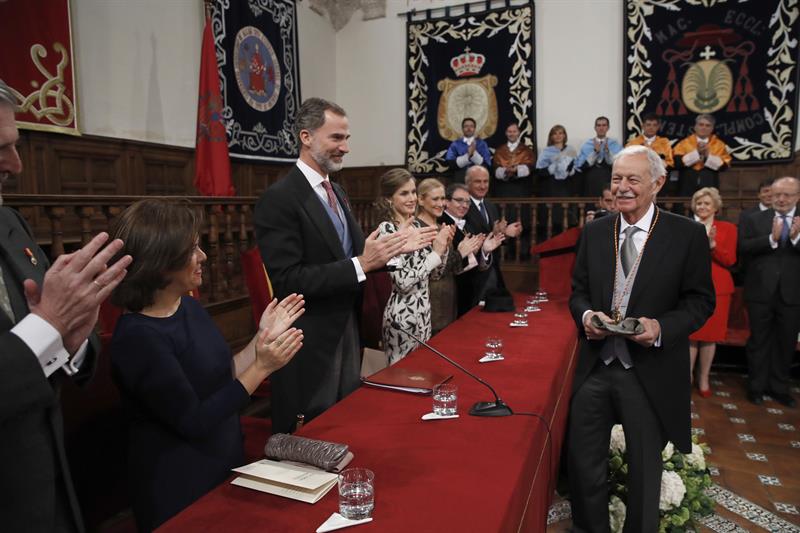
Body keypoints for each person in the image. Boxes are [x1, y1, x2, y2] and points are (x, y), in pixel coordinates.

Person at [108, 199, 304, 531]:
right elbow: (194, 421)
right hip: (178, 481)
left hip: (221, 456)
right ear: (161, 264)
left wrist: (261, 340)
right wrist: (263, 367)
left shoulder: (188, 306)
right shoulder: (138, 337)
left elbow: (220, 373)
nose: (203, 256)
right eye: (192, 249)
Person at [254, 98, 435, 433]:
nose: (346, 147)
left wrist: (393, 250)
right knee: (313, 431)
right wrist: (363, 263)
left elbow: (355, 255)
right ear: (306, 137)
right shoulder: (279, 198)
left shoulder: (336, 191)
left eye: (347, 138)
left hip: (348, 326)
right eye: (336, 138)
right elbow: (288, 279)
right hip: (309, 335)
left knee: (345, 423)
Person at [0, 78, 132, 533]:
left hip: (48, 484)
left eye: (14, 146)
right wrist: (49, 326)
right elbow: (40, 325)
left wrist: (71, 339)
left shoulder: (9, 221)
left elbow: (51, 330)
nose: (16, 165)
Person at [568, 145, 714, 532]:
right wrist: (586, 315)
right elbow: (578, 291)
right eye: (617, 178)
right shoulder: (597, 231)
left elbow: (701, 302)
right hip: (595, 369)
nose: (623, 187)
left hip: (648, 371)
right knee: (584, 467)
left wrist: (662, 328)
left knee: (644, 475)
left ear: (657, 183)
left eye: (633, 179)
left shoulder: (687, 235)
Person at [376, 170, 451, 364]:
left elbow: (435, 274)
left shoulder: (417, 227)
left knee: (420, 372)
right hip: (402, 317)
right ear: (389, 199)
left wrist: (443, 247)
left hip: (424, 314)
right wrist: (434, 254)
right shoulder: (387, 230)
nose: (412, 198)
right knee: (400, 378)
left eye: (413, 192)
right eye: (404, 193)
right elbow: (402, 281)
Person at [738, 176, 800, 408]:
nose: (781, 199)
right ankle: (756, 387)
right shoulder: (753, 218)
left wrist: (796, 238)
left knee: (786, 342)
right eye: (777, 195)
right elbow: (742, 247)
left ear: (797, 197)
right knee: (758, 341)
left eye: (787, 195)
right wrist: (770, 239)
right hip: (760, 292)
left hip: (793, 294)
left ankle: (779, 388)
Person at [421, 181, 489, 334]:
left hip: (450, 300)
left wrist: (478, 251)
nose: (440, 203)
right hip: (430, 305)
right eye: (435, 199)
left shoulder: (441, 227)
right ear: (420, 200)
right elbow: (432, 272)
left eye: (442, 199)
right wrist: (461, 253)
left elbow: (454, 267)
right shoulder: (420, 228)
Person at [688, 187, 737, 397]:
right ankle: (686, 377)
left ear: (716, 207)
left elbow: (730, 260)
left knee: (710, 337)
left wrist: (713, 245)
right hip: (690, 287)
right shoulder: (687, 226)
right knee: (691, 335)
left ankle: (704, 378)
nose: (702, 207)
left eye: (707, 203)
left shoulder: (728, 228)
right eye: (699, 203)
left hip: (719, 289)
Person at [461, 165, 521, 313]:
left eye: (486, 181)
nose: (483, 186)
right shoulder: (462, 207)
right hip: (471, 278)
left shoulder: (489, 205)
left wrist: (505, 233)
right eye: (478, 182)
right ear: (467, 183)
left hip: (492, 272)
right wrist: (494, 233)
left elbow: (493, 238)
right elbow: (468, 238)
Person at [492, 122, 536, 259]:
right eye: (509, 131)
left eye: (514, 131)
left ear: (519, 133)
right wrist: (506, 171)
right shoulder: (500, 150)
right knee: (505, 220)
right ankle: (503, 252)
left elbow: (530, 168)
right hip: (504, 191)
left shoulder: (526, 150)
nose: (512, 134)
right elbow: (495, 170)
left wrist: (517, 170)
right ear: (506, 133)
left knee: (520, 220)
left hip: (521, 190)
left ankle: (521, 253)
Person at [535, 124, 578, 239]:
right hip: (551, 188)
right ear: (551, 136)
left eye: (560, 133)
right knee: (552, 220)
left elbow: (576, 169)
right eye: (555, 133)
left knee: (566, 219)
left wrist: (570, 169)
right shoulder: (546, 152)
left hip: (565, 189)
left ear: (564, 135)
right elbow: (540, 171)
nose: (558, 136)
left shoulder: (571, 150)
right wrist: (553, 165)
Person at [673, 114, 731, 197]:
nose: (704, 128)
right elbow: (677, 163)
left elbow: (724, 166)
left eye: (707, 125)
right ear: (695, 127)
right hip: (687, 184)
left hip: (709, 183)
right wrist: (697, 153)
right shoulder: (684, 143)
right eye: (701, 125)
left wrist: (707, 156)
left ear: (712, 128)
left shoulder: (719, 145)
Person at [575, 116, 623, 198]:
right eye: (599, 125)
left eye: (604, 125)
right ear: (595, 128)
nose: (601, 128)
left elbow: (618, 165)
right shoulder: (587, 144)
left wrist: (608, 152)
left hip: (608, 179)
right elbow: (580, 166)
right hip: (591, 181)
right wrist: (595, 152)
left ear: (608, 127)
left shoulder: (614, 144)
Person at [445, 117, 492, 183]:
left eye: (471, 126)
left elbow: (487, 166)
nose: (469, 128)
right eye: (466, 126)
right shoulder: (455, 144)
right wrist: (467, 156)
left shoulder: (482, 144)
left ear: (474, 129)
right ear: (462, 129)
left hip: (478, 179)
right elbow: (450, 164)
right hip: (460, 179)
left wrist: (473, 155)